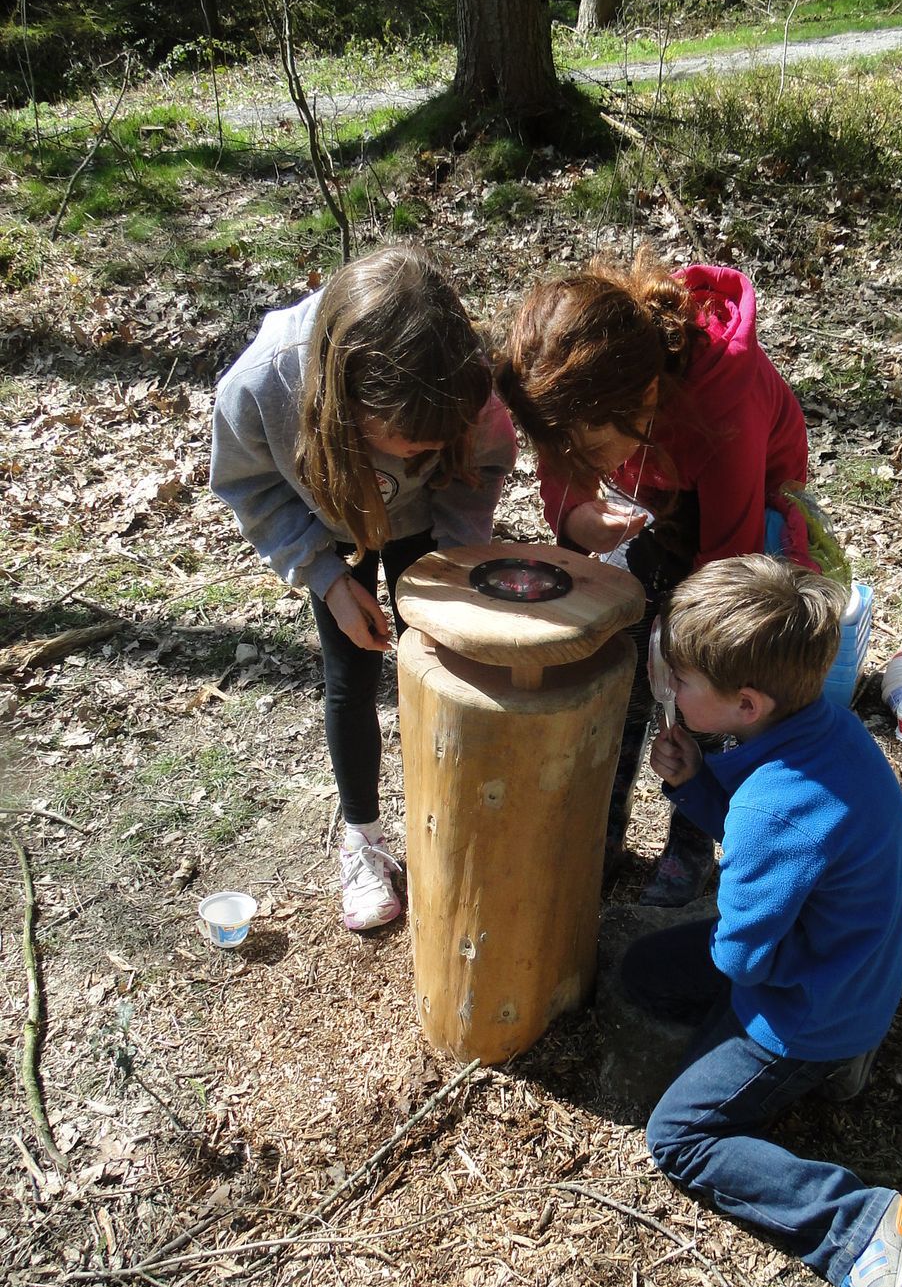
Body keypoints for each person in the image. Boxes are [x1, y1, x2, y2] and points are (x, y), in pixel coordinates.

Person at [621, 555, 902, 1287]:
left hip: (812, 1006)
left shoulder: (769, 810)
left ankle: (859, 1228)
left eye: (681, 680)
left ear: (744, 703)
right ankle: (830, 1058)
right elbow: (786, 838)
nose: (671, 692)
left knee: (680, 1136)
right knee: (644, 975)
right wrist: (695, 785)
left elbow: (742, 951)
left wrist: (734, 947)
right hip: (850, 963)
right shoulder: (822, 731)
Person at [498, 246, 842, 906]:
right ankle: (600, 832)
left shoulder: (723, 401)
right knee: (624, 664)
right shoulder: (590, 402)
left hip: (752, 526)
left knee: (714, 678)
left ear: (646, 398)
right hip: (663, 495)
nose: (576, 459)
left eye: (591, 450)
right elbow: (562, 468)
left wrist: (681, 645)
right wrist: (578, 522)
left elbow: (732, 564)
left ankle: (695, 833)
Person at [210, 245, 517, 931]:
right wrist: (323, 576)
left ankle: (446, 815)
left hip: (427, 525)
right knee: (351, 672)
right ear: (342, 397)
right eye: (401, 442)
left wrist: (453, 560)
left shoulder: (468, 383)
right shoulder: (263, 386)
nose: (411, 456)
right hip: (331, 527)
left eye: (430, 445)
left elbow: (484, 465)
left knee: (437, 664)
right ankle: (363, 838)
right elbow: (248, 486)